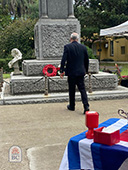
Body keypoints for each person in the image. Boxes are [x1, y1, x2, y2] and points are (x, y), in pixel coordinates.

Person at [60, 32, 89, 114]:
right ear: (77, 39)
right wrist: (86, 70)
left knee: (72, 89)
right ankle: (86, 106)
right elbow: (86, 60)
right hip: (80, 72)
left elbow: (64, 60)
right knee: (82, 89)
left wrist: (62, 70)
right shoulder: (83, 47)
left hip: (71, 72)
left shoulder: (67, 47)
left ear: (71, 39)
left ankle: (72, 105)